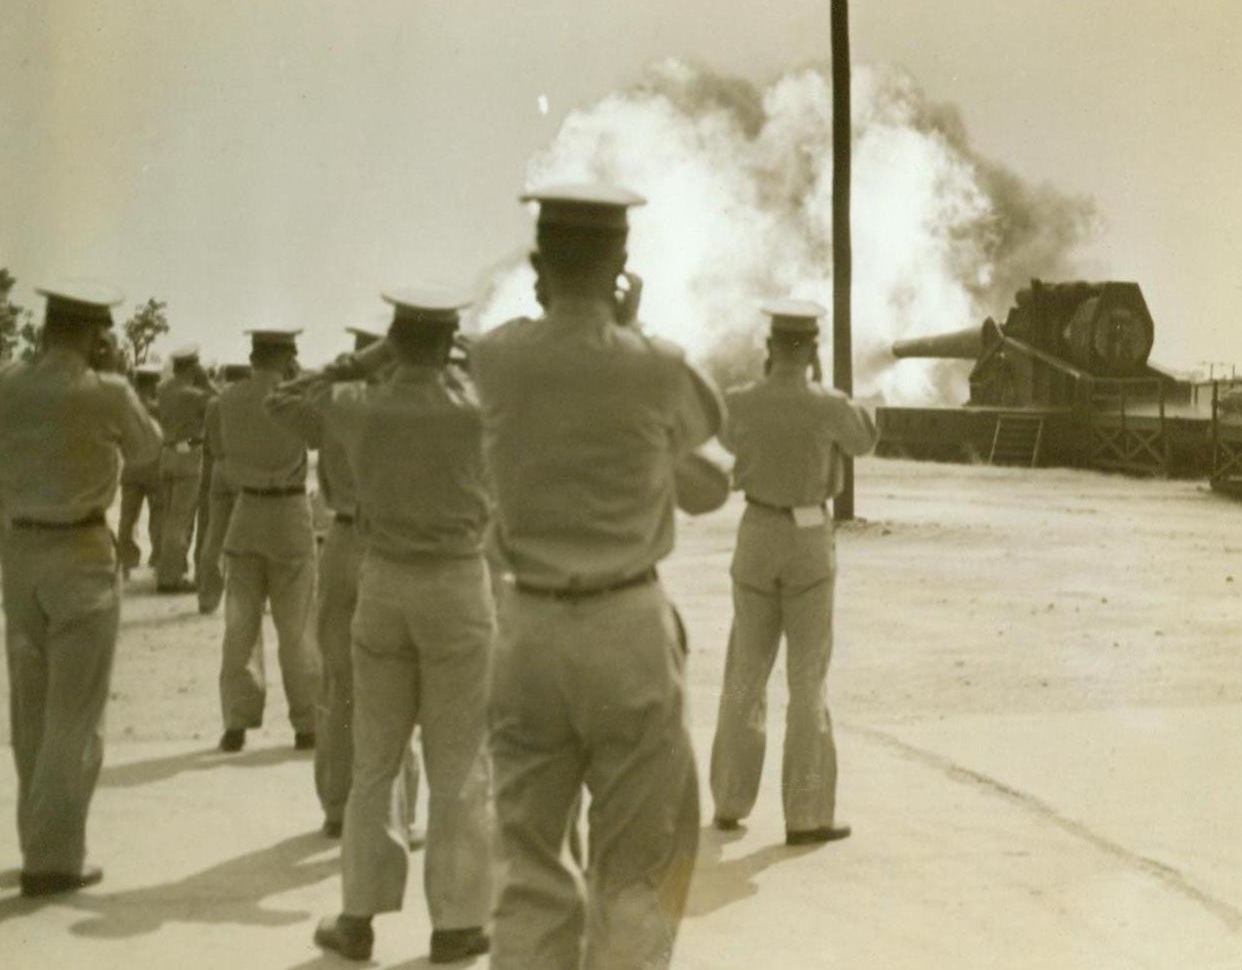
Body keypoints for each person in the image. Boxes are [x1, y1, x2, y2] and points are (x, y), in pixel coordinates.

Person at [471, 184, 724, 970]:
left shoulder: (496, 358)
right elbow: (708, 427)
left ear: (537, 265)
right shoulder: (657, 367)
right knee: (638, 861)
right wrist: (628, 327)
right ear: (621, 263)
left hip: (527, 624)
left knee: (528, 862)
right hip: (626, 623)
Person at [277, 292, 494, 965]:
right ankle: (456, 923)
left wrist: (363, 360)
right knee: (459, 762)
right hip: (458, 583)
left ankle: (358, 918)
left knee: (375, 760)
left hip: (385, 579)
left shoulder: (359, 405)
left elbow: (285, 400)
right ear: (450, 341)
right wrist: (473, 358)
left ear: (395, 341)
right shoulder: (477, 406)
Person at [0, 281, 162, 896]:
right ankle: (54, 859)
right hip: (81, 551)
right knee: (75, 713)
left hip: (21, 551)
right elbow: (147, 450)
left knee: (31, 707)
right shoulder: (107, 392)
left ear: (44, 328)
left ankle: (36, 842)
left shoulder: (8, 383)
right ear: (96, 336)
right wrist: (117, 377)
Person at [708, 299, 878, 845]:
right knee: (807, 682)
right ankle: (806, 813)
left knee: (744, 672)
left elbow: (728, 439)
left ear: (770, 347)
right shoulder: (828, 404)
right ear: (813, 350)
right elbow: (863, 441)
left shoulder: (741, 401)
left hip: (757, 530)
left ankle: (730, 799)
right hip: (807, 537)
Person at [267, 327, 422, 846]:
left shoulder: (337, 405)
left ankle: (337, 806)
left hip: (343, 540)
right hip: (396, 544)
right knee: (399, 683)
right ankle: (398, 813)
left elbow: (279, 401)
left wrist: (341, 369)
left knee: (340, 680)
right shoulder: (413, 407)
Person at [215, 330, 320, 753]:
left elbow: (221, 453)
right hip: (289, 512)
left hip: (247, 512)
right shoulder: (296, 398)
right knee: (297, 627)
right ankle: (307, 722)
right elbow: (317, 436)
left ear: (253, 355)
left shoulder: (227, 399)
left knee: (240, 626)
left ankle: (236, 722)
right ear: (287, 356)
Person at [155, 345, 215, 593]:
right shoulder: (194, 394)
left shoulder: (163, 389)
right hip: (189, 451)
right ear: (192, 366)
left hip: (167, 451)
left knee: (169, 516)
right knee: (180, 520)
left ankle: (169, 568)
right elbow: (218, 402)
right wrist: (206, 380)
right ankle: (170, 577)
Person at [196, 363, 249, 614]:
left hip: (218, 467)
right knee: (247, 534)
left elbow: (205, 439)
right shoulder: (246, 401)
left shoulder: (213, 403)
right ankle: (246, 596)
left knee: (214, 534)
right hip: (242, 466)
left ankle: (207, 595)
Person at [118, 365, 165, 577]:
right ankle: (157, 557)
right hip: (155, 468)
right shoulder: (158, 408)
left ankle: (125, 561)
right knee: (158, 515)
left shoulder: (125, 407)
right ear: (154, 384)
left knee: (127, 517)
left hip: (130, 467)